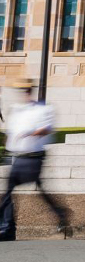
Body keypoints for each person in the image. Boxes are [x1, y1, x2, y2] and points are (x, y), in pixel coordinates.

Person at [0, 79, 70, 241]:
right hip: (19, 157)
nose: (23, 95)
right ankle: (60, 213)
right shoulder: (17, 110)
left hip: (33, 157)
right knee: (20, 192)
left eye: (25, 91)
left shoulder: (43, 110)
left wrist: (29, 133)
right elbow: (11, 132)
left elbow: (47, 129)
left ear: (30, 91)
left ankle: (7, 229)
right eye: (21, 92)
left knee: (9, 193)